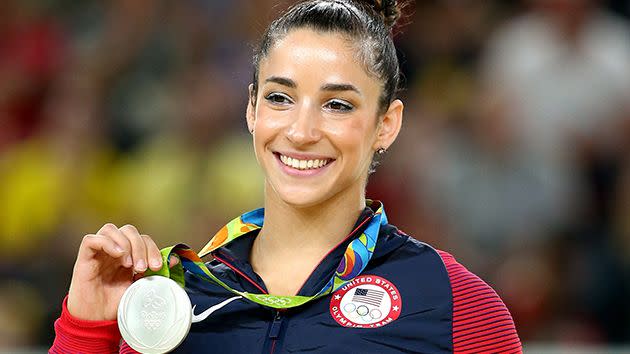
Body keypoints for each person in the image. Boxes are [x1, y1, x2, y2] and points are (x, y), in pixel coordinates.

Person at [50, 0, 522, 353]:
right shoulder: (168, 304)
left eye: (337, 104)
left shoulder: (455, 304)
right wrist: (87, 328)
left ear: (386, 124)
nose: (300, 131)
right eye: (280, 98)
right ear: (252, 108)